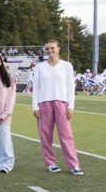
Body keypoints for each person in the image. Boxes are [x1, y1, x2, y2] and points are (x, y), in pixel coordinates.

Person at [31, 39, 83, 175]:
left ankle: (73, 165)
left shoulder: (67, 65)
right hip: (43, 103)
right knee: (45, 135)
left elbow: (70, 87)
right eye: (47, 49)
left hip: (62, 103)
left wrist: (71, 106)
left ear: (58, 49)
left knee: (66, 135)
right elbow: (36, 88)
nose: (50, 51)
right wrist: (34, 106)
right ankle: (50, 163)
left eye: (52, 48)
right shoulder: (39, 67)